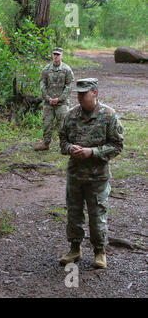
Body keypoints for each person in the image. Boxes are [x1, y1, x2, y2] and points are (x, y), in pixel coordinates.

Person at [59, 78, 124, 269]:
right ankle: (75, 249)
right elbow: (62, 141)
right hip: (75, 175)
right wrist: (70, 148)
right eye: (78, 94)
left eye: (83, 94)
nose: (79, 97)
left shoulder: (109, 116)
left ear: (94, 93)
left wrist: (92, 152)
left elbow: (117, 145)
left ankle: (99, 251)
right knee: (74, 214)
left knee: (97, 216)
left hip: (97, 177)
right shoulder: (70, 115)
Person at [35, 47, 74, 151]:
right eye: (54, 54)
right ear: (52, 55)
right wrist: (48, 98)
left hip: (62, 103)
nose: (56, 56)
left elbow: (69, 86)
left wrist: (60, 98)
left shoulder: (67, 69)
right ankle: (46, 143)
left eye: (58, 54)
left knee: (63, 125)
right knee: (47, 123)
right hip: (48, 103)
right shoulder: (46, 69)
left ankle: (64, 145)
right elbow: (42, 84)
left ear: (62, 56)